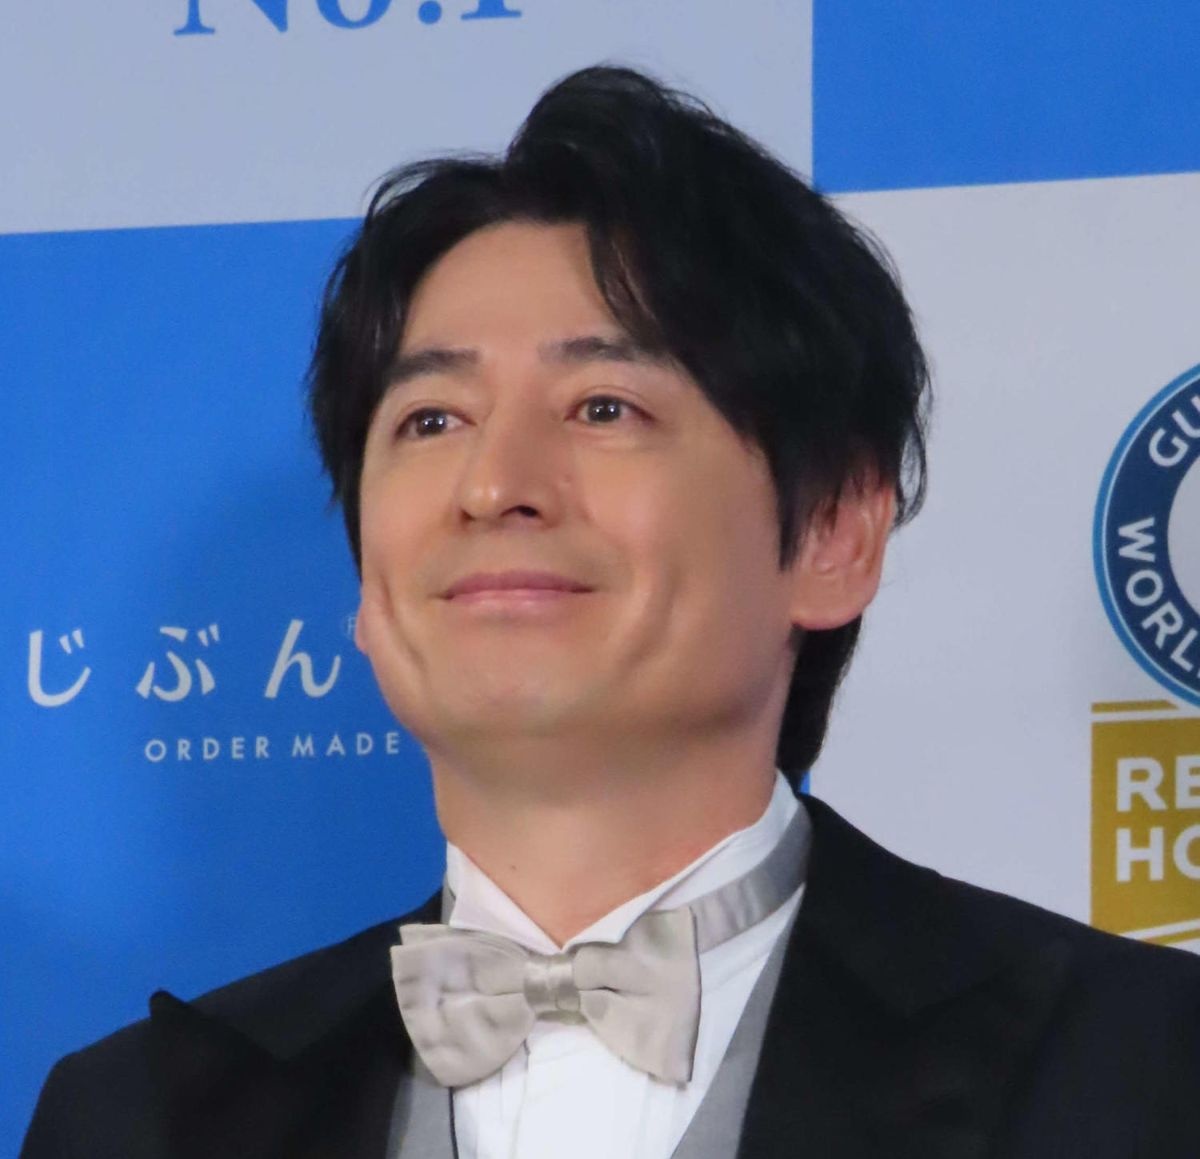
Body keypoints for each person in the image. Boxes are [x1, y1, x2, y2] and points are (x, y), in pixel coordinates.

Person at [21, 65, 1200, 1159]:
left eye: (603, 407)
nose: (494, 485)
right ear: (369, 592)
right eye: (432, 420)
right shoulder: (132, 1121)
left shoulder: (1144, 1069)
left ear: (833, 531)